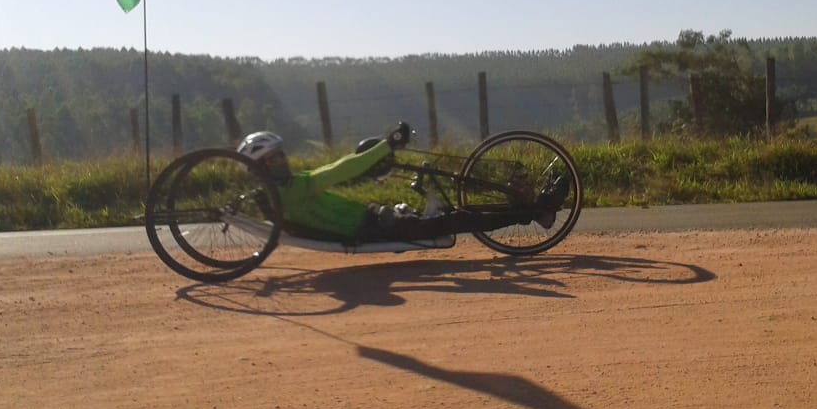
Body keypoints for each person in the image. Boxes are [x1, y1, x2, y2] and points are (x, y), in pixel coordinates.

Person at [236, 123, 569, 243]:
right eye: (275, 158)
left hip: (379, 217)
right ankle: (535, 210)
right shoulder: (289, 192)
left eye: (282, 154)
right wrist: (387, 144)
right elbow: (341, 169)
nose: (284, 160)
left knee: (447, 204)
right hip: (379, 228)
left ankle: (526, 204)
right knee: (459, 219)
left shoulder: (279, 192)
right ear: (262, 165)